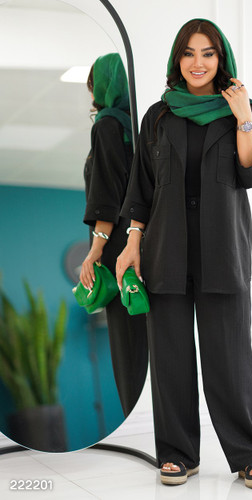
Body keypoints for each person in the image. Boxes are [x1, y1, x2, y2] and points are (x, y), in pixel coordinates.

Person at [116, 19, 252, 489]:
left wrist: (243, 114)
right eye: (188, 53)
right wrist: (131, 244)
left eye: (208, 53)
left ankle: (247, 454)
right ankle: (177, 454)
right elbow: (141, 189)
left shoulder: (241, 109)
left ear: (220, 58)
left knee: (230, 357)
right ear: (177, 60)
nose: (198, 62)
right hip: (165, 250)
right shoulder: (158, 116)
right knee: (170, 359)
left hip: (223, 250)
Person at [79, 53, 148, 418]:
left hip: (119, 248)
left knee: (127, 346)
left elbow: (107, 194)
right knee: (148, 338)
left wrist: (95, 250)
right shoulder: (139, 126)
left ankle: (134, 421)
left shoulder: (107, 124)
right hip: (145, 242)